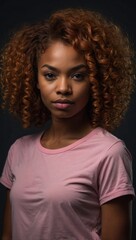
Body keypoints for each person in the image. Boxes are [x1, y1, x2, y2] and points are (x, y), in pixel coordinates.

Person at [0, 8, 135, 240]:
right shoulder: (19, 150)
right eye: (50, 75)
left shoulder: (109, 153)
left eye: (78, 75)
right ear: (35, 80)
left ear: (95, 81)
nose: (63, 88)